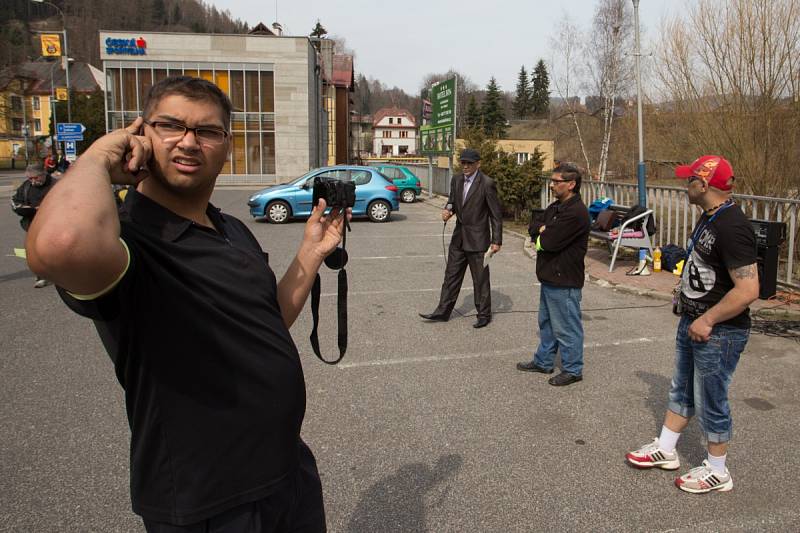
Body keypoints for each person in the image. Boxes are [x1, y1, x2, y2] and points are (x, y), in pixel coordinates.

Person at [25, 76, 348, 531]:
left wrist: (310, 253)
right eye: (170, 126)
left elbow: (267, 321)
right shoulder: (129, 239)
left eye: (207, 131)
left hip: (285, 473)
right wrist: (98, 158)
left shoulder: (229, 228)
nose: (189, 142)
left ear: (226, 145)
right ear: (139, 134)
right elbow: (59, 245)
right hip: (211, 503)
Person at [626, 155, 759, 494]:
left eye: (689, 180)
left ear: (704, 185)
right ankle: (666, 448)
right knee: (682, 388)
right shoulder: (709, 217)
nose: (685, 185)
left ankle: (718, 471)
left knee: (711, 398)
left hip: (718, 331)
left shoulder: (732, 227)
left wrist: (708, 318)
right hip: (694, 320)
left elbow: (748, 289)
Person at [516, 162, 590, 386]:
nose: (552, 185)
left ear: (571, 184)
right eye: (552, 180)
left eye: (557, 182)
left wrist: (542, 234)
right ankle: (544, 361)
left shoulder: (576, 213)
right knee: (547, 323)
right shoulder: (557, 207)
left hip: (564, 279)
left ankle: (573, 368)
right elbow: (535, 224)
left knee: (566, 326)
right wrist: (540, 229)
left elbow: (548, 242)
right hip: (549, 277)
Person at [419, 148, 502, 328]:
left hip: (478, 240)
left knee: (480, 279)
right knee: (451, 275)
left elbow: (496, 215)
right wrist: (448, 209)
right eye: (463, 163)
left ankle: (483, 314)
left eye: (469, 163)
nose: (465, 166)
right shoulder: (456, 180)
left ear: (477, 164)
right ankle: (443, 311)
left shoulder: (487, 183)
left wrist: (496, 241)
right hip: (459, 238)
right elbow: (453, 200)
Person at [11, 162, 56, 288]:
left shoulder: (56, 185)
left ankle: (59, 274)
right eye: (30, 178)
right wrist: (22, 208)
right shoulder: (26, 186)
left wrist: (43, 208)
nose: (32, 181)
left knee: (52, 251)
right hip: (32, 224)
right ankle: (41, 275)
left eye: (35, 178)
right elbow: (15, 200)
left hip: (52, 224)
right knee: (34, 252)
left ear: (44, 174)